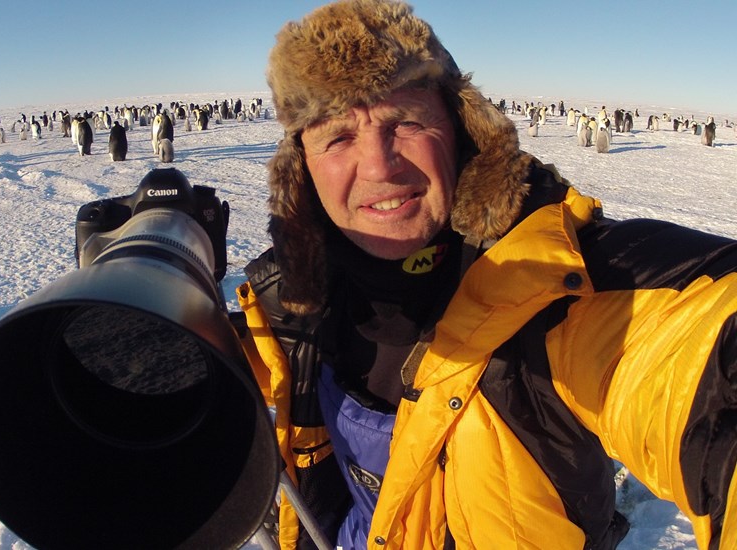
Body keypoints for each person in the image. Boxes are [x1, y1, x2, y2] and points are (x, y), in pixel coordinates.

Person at [234, 0, 737, 548]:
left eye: (406, 121)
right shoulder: (292, 308)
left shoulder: (558, 286)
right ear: (301, 168)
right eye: (338, 136)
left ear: (461, 131)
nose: (380, 166)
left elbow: (692, 352)